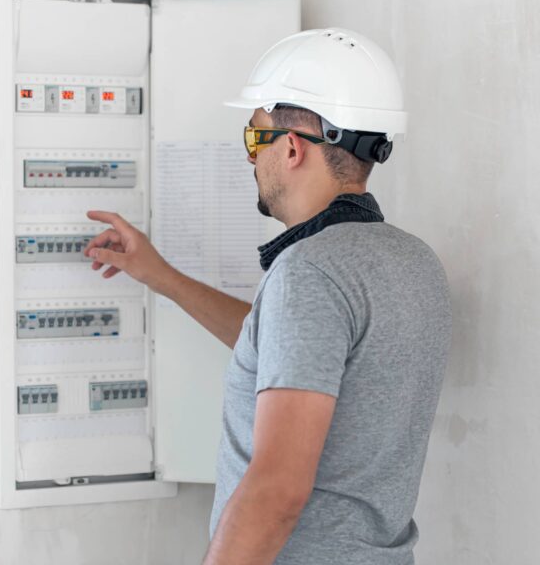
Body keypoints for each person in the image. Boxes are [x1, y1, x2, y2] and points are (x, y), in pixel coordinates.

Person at [85, 28, 452, 565]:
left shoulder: (311, 273)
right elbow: (291, 352)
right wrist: (159, 274)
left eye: (254, 139)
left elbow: (277, 492)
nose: (250, 159)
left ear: (293, 147)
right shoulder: (414, 262)